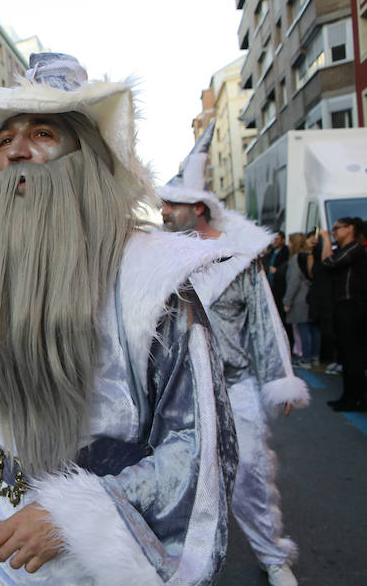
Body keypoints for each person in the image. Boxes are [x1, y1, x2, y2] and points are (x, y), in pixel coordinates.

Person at [0, 52, 237, 585]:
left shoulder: (153, 279)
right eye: (6, 139)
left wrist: (76, 515)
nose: (17, 151)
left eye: (42, 133)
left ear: (85, 156)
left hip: (102, 552)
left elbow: (197, 443)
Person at [159, 121, 309, 586]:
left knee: (249, 476)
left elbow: (264, 321)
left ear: (197, 209)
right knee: (172, 480)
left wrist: (278, 378)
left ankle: (272, 555)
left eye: (172, 205)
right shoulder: (156, 258)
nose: (163, 212)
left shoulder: (239, 259)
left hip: (235, 386)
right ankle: (172, 564)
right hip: (178, 394)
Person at [318, 217, 367, 411]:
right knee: (346, 355)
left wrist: (325, 238)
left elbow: (329, 262)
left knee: (353, 355)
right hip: (343, 307)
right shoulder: (346, 250)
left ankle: (354, 399)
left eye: (337, 228)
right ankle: (349, 397)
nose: (334, 231)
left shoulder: (355, 249)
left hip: (352, 307)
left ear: (350, 229)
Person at [283, 233, 318, 368]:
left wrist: (287, 301)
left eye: (290, 242)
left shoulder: (296, 259)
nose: (289, 245)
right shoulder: (309, 255)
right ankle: (314, 357)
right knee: (313, 328)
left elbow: (294, 281)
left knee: (303, 329)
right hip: (310, 297)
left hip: (299, 299)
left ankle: (305, 358)